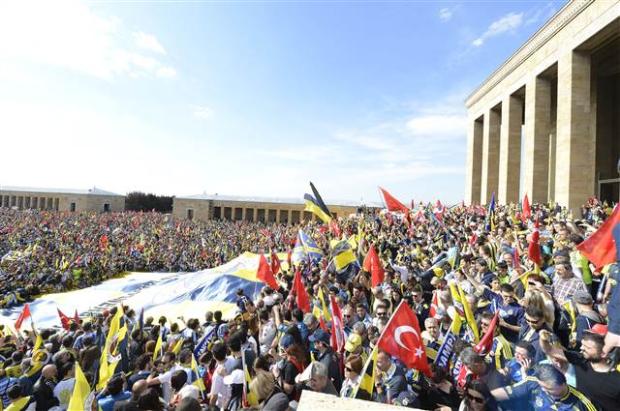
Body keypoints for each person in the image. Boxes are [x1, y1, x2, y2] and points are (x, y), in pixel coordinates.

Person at [539, 328, 620, 411]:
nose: (581, 348)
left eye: (587, 347)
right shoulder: (580, 360)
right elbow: (549, 350)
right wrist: (543, 339)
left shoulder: (617, 381)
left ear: (603, 353)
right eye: (582, 344)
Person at [491, 363, 597, 410]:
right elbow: (506, 392)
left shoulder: (583, 404)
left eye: (550, 389)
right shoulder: (533, 382)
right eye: (543, 387)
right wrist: (483, 397)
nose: (544, 390)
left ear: (563, 383)